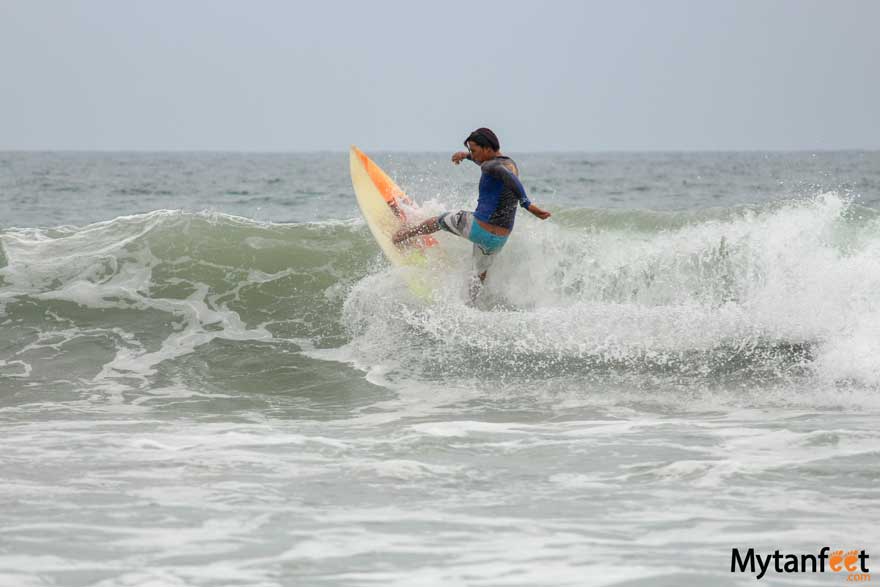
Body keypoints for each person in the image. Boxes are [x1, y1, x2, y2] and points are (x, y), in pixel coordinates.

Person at [392, 127, 551, 299]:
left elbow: (502, 174)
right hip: (498, 240)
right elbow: (496, 168)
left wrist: (527, 204)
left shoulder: (493, 167)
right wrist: (466, 156)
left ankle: (403, 236)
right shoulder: (509, 163)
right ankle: (471, 304)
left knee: (441, 220)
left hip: (478, 228)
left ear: (487, 148)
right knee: (479, 273)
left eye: (474, 151)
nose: (472, 154)